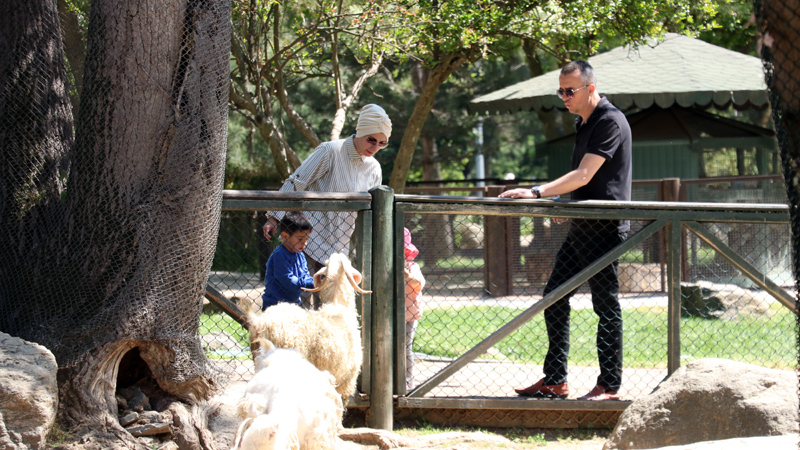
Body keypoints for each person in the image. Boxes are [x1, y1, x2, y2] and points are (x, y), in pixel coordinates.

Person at [499, 60, 632, 401]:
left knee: (606, 306)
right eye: (560, 90)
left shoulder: (610, 120)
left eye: (569, 90)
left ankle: (610, 386)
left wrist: (538, 192)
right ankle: (555, 380)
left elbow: (587, 174)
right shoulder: (583, 121)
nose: (564, 97)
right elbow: (587, 179)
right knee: (554, 297)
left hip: (605, 228)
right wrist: (567, 204)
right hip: (582, 226)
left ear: (590, 88)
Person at [263, 104, 391, 277]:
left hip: (340, 250)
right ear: (360, 131)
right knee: (301, 298)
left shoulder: (374, 168)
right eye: (371, 140)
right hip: (308, 243)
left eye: (382, 143)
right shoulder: (330, 151)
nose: (375, 147)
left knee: (333, 302)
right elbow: (297, 182)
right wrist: (273, 217)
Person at [261, 212, 315, 310]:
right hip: (274, 307)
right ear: (285, 236)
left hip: (293, 306)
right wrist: (313, 283)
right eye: (300, 239)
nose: (304, 243)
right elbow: (288, 281)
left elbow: (305, 276)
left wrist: (317, 282)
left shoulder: (300, 255)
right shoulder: (279, 255)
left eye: (307, 239)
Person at [403, 228, 425, 389]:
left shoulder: (412, 266)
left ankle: (408, 377)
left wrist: (408, 276)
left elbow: (419, 284)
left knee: (405, 346)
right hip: (390, 314)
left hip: (409, 314)